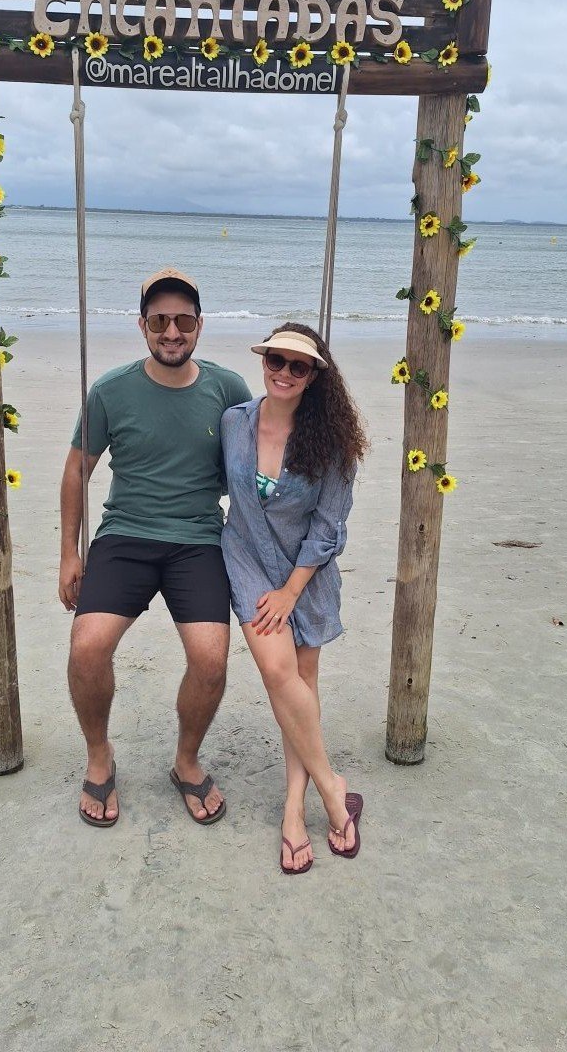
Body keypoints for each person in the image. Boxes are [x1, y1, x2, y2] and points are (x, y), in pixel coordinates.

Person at [59, 268, 250, 828]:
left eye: (183, 321)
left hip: (198, 539)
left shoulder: (228, 389)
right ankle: (100, 755)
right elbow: (77, 470)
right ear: (142, 325)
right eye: (160, 320)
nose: (172, 331)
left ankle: (186, 761)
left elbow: (259, 457)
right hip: (125, 535)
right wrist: (69, 553)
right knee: (87, 647)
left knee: (211, 659)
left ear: (199, 326)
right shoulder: (110, 391)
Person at [220, 323, 368, 873]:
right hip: (246, 559)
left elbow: (329, 527)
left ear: (314, 376)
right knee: (279, 673)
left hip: (306, 573)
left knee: (302, 685)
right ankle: (331, 789)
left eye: (297, 366)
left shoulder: (333, 443)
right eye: (275, 361)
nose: (283, 373)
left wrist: (290, 590)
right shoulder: (233, 422)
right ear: (263, 362)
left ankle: (292, 807)